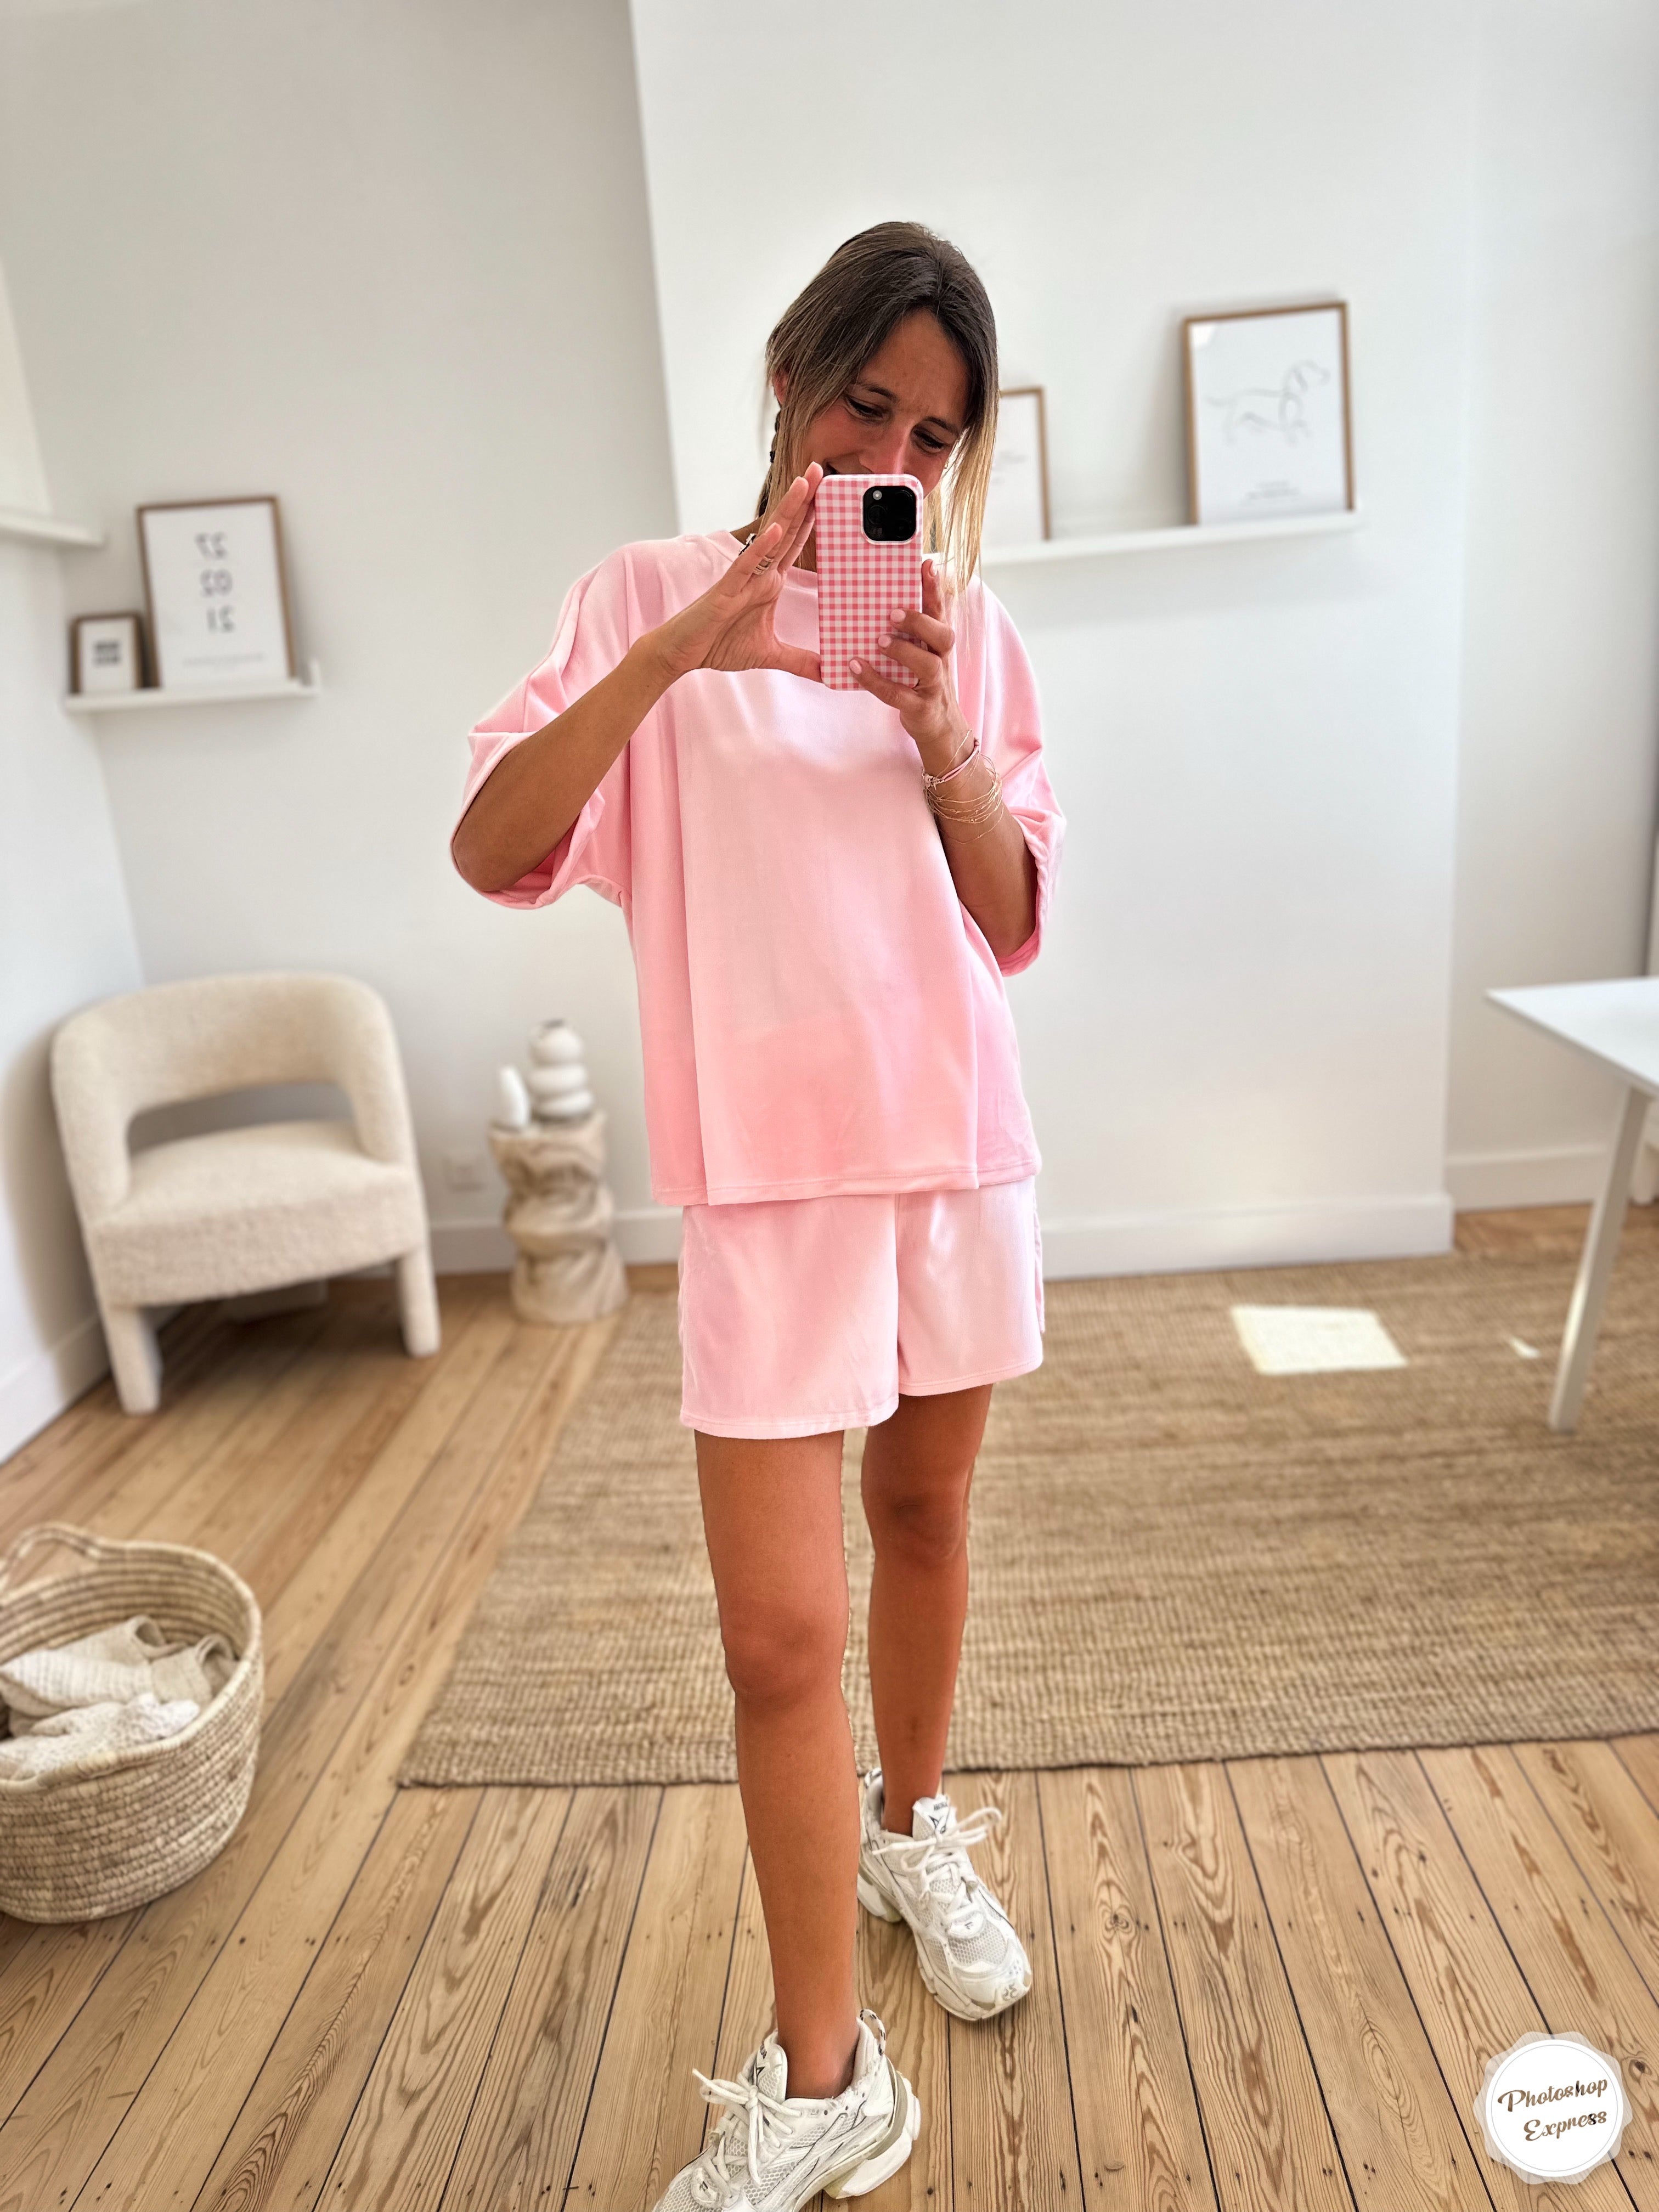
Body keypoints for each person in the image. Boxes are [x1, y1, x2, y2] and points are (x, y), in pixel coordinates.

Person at [450, 219, 1064, 2211]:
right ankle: (828, 2081)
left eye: (933, 437)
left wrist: (939, 730)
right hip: (761, 1180)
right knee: (778, 1639)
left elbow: (1011, 918)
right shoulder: (646, 595)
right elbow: (494, 844)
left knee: (928, 1519)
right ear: (790, 382)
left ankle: (915, 1827)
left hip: (948, 1143)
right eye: (863, 408)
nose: (890, 457)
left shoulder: (961, 623)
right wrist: (684, 649)